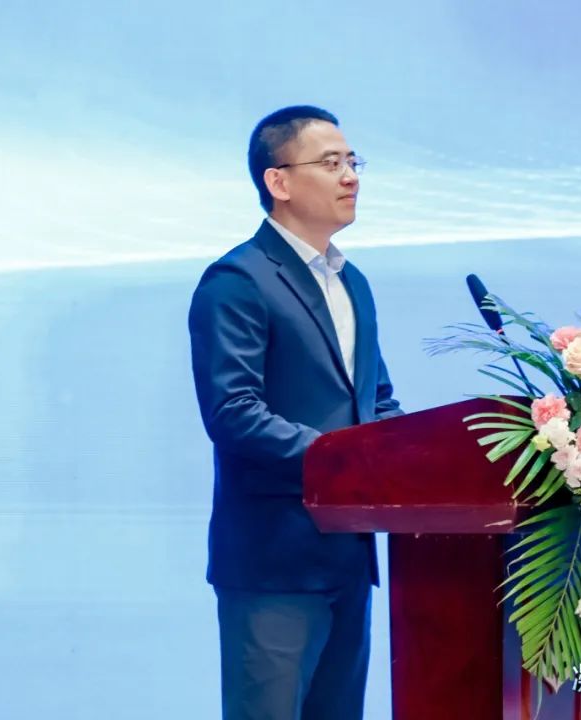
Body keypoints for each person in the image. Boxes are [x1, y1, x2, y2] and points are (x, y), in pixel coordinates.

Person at [188, 105, 404, 720]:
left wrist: (416, 452)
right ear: (278, 181)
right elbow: (233, 413)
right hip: (274, 563)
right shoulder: (238, 280)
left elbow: (376, 401)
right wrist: (344, 460)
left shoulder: (352, 282)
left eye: (353, 162)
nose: (350, 177)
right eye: (331, 163)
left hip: (348, 555)